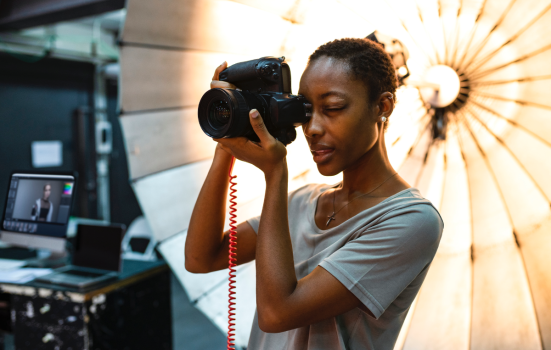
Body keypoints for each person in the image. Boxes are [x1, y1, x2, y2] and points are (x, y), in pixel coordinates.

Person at [185, 38, 443, 350]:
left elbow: (277, 313)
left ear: (382, 106)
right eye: (306, 111)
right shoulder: (300, 202)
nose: (312, 129)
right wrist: (226, 143)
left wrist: (275, 173)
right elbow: (201, 257)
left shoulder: (412, 221)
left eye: (333, 108)